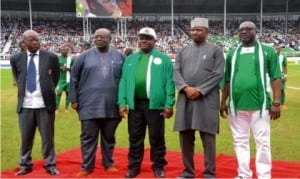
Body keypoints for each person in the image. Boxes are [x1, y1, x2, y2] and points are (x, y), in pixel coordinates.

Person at [220, 21, 281, 179]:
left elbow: (276, 77)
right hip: (236, 105)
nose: (244, 32)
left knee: (263, 142)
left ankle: (264, 175)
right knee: (239, 141)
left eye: (248, 29)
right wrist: (223, 102)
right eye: (241, 30)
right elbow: (227, 80)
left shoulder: (268, 51)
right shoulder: (233, 53)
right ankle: (244, 174)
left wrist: (276, 102)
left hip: (260, 106)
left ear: (256, 31)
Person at [118, 27, 175, 178]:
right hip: (135, 105)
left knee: (156, 137)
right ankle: (134, 167)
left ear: (154, 41)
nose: (143, 40)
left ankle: (158, 166)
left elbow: (169, 83)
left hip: (155, 105)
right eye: (141, 38)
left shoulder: (163, 59)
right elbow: (124, 82)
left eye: (147, 38)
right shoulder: (130, 59)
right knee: (135, 137)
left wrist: (169, 104)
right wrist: (122, 102)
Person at [69, 28, 125, 177]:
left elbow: (126, 81)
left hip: (112, 105)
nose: (98, 39)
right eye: (96, 37)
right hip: (88, 104)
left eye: (102, 37)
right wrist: (73, 99)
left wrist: (123, 103)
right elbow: (73, 78)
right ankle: (86, 167)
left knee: (109, 137)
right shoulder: (83, 56)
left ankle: (108, 164)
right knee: (88, 137)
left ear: (110, 39)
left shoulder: (120, 57)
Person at [173, 18, 225, 178]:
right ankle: (188, 171)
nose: (194, 32)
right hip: (185, 98)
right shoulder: (182, 51)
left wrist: (200, 90)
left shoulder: (216, 50)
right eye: (193, 30)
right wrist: (185, 88)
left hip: (206, 99)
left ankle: (209, 172)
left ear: (207, 32)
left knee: (208, 136)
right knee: (185, 136)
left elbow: (218, 73)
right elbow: (176, 72)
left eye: (199, 30)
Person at [10, 30, 60, 176]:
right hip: (25, 105)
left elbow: (55, 77)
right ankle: (25, 165)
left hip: (45, 105)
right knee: (25, 138)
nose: (35, 42)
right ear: (24, 42)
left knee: (47, 138)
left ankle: (50, 164)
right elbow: (18, 77)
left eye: (37, 40)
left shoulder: (50, 57)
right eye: (31, 40)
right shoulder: (16, 59)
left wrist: (48, 89)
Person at [55, 44, 75, 114]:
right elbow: (54, 68)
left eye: (66, 50)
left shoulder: (71, 59)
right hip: (60, 79)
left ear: (68, 51)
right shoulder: (57, 58)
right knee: (58, 93)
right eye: (63, 50)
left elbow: (74, 69)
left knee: (68, 94)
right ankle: (56, 109)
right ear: (60, 51)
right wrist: (60, 68)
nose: (64, 51)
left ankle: (66, 108)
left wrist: (68, 68)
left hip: (68, 80)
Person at [275, 45, 288, 109]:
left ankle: (281, 104)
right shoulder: (271, 56)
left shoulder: (283, 57)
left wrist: (285, 75)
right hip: (272, 75)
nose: (279, 49)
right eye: (277, 48)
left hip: (281, 75)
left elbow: (285, 66)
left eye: (280, 48)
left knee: (282, 89)